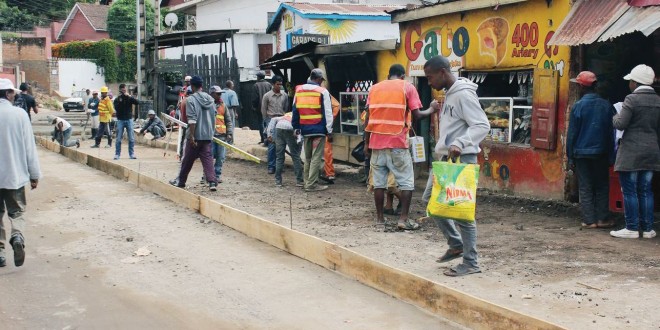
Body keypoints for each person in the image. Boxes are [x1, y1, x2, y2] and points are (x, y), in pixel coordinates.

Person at [421, 56, 489, 277]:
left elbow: (481, 125)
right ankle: (456, 244)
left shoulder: (463, 94)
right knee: (431, 201)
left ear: (442, 72)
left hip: (461, 159)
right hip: (446, 159)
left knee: (462, 213)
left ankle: (471, 262)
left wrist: (460, 142)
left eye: (430, 77)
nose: (429, 82)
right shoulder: (450, 93)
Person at [365, 64, 440, 231]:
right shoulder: (407, 87)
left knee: (379, 184)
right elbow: (418, 115)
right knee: (406, 183)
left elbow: (368, 118)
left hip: (376, 143)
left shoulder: (374, 89)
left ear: (388, 74)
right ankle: (403, 219)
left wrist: (366, 143)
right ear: (402, 76)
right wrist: (432, 109)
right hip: (397, 142)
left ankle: (380, 220)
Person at [610, 64, 660, 239]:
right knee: (646, 189)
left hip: (631, 152)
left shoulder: (631, 99)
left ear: (635, 82)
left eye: (631, 80)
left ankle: (631, 227)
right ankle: (647, 229)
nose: (629, 83)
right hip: (652, 151)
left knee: (630, 190)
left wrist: (616, 114)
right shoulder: (657, 100)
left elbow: (620, 124)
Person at [566, 71, 616, 229]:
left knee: (585, 186)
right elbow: (611, 134)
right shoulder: (606, 105)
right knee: (602, 185)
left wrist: (570, 157)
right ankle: (602, 219)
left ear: (581, 86)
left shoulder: (578, 106)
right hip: (601, 152)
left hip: (581, 153)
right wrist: (611, 155)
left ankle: (589, 220)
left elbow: (572, 134)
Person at [0, 78, 41, 267]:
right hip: (14, 175)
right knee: (16, 212)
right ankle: (17, 237)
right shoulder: (19, 115)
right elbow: (29, 148)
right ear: (8, 94)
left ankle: (0, 255)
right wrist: (34, 175)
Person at [171, 76, 218, 191]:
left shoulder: (191, 100)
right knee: (207, 159)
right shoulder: (210, 99)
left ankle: (181, 181)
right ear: (201, 86)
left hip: (195, 135)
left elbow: (192, 120)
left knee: (187, 160)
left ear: (192, 86)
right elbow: (214, 115)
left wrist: (192, 136)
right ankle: (212, 182)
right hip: (207, 135)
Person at [292, 69, 333, 192]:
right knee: (316, 157)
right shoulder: (323, 91)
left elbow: (295, 111)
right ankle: (311, 184)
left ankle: (306, 181)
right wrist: (329, 130)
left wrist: (296, 128)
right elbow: (328, 112)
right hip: (318, 129)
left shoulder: (299, 90)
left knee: (308, 157)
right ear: (319, 79)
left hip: (305, 129)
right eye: (321, 80)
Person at [261, 76, 289, 174]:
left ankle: (279, 166)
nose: (279, 86)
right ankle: (271, 166)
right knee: (272, 144)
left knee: (281, 144)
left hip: (281, 119)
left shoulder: (284, 95)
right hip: (270, 120)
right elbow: (264, 110)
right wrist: (266, 123)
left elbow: (285, 108)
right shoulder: (267, 96)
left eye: (281, 84)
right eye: (278, 84)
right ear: (273, 84)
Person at [267, 112, 303, 187]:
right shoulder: (300, 116)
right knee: (295, 157)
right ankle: (299, 181)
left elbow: (273, 119)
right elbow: (299, 135)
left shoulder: (285, 115)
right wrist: (298, 148)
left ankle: (278, 181)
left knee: (279, 157)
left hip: (279, 128)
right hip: (290, 129)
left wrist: (269, 135)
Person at [208, 85, 234, 183]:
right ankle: (207, 175)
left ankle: (217, 176)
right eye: (218, 94)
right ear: (212, 94)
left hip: (221, 136)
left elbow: (228, 120)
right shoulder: (207, 105)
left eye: (220, 94)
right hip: (210, 136)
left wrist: (229, 133)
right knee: (209, 157)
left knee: (220, 157)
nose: (220, 95)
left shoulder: (223, 105)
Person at [113, 83, 139, 160]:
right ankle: (117, 154)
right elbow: (117, 108)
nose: (124, 91)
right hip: (120, 120)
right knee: (118, 138)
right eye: (122, 89)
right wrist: (121, 100)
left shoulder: (129, 98)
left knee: (131, 138)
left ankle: (131, 154)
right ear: (120, 90)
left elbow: (137, 102)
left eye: (125, 89)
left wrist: (129, 96)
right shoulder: (117, 99)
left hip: (129, 119)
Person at [321, 95, 340, 184]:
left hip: (310, 127)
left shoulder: (304, 92)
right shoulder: (323, 92)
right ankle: (329, 173)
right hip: (323, 127)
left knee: (311, 152)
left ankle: (311, 174)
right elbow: (336, 106)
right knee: (327, 151)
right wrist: (330, 121)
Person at [253, 71, 272, 144]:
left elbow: (255, 98)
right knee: (268, 122)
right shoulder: (269, 84)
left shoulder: (256, 85)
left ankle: (263, 139)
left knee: (261, 123)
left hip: (259, 107)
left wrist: (254, 106)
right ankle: (268, 139)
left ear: (258, 77)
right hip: (269, 107)